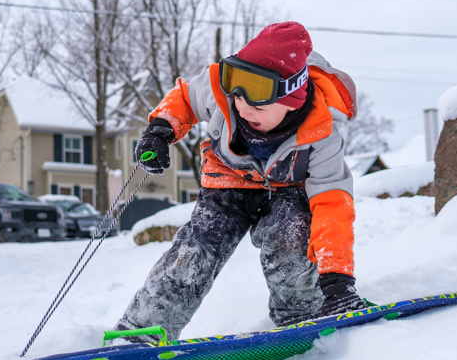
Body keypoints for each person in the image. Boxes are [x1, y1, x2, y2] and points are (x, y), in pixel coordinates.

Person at [115, 21, 365, 342]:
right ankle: (144, 329)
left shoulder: (321, 136)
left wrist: (337, 278)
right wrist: (160, 131)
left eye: (258, 98)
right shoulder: (220, 91)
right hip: (226, 183)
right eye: (237, 90)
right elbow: (185, 98)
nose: (243, 106)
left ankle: (301, 315)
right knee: (196, 250)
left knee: (289, 238)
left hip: (287, 190)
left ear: (292, 96)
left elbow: (333, 207)